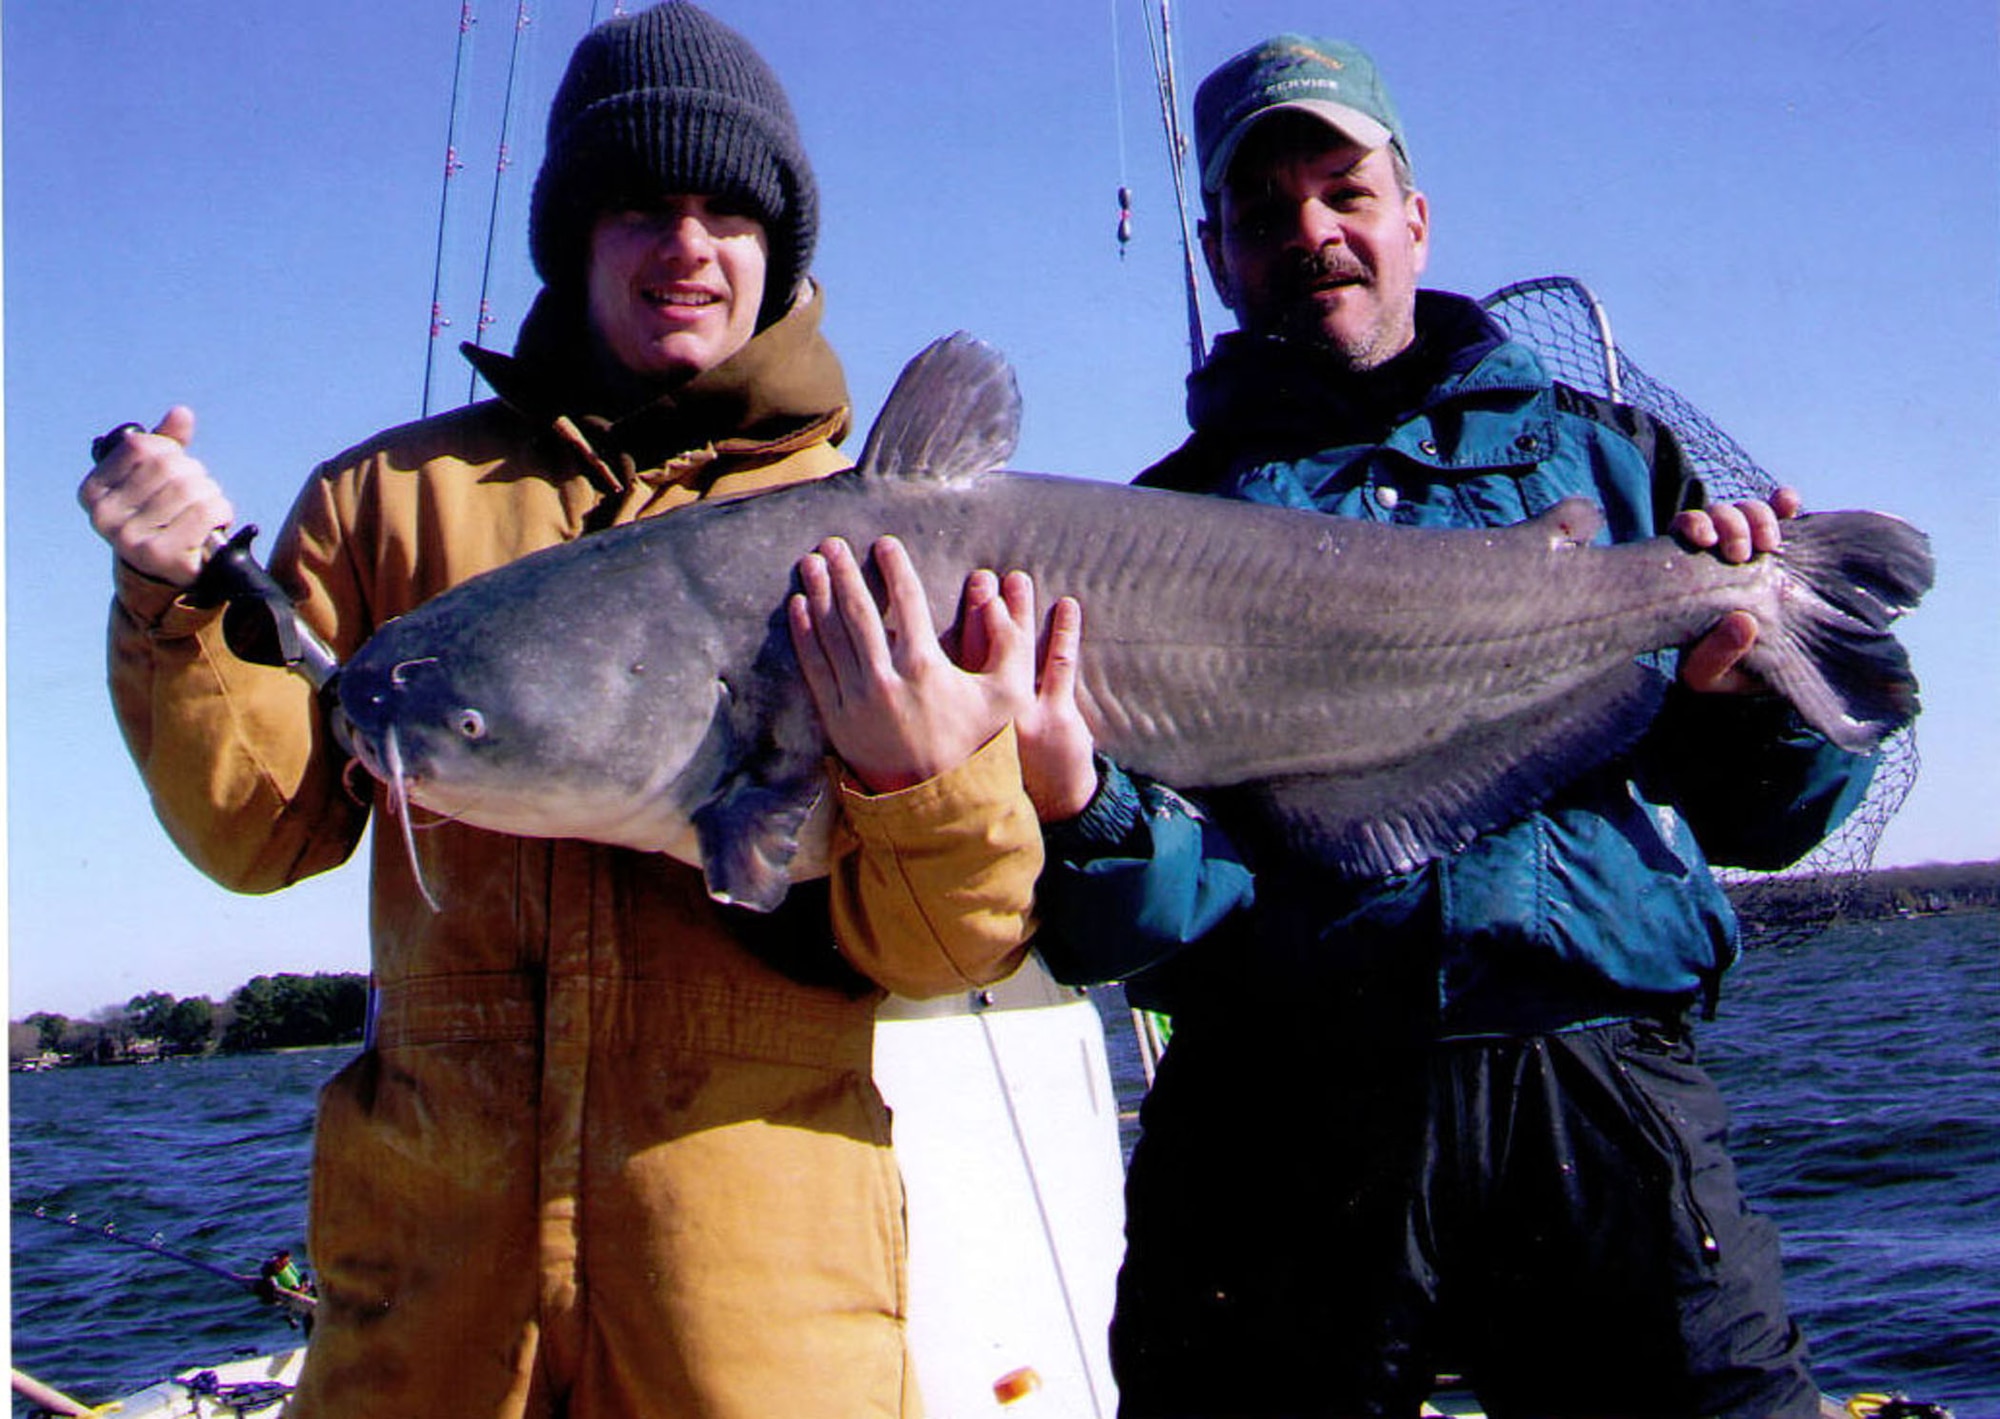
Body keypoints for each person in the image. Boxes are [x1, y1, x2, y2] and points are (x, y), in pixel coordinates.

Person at [77, 6, 1055, 1416]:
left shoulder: (895, 548)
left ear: (780, 249)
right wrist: (174, 608)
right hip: (434, 1319)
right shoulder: (384, 503)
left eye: (729, 210)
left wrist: (924, 783)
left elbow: (946, 941)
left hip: (761, 1317)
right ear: (570, 235)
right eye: (640, 207)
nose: (688, 247)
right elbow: (258, 834)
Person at [1028, 35, 1874, 1419]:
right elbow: (1131, 921)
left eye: (1344, 193)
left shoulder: (1615, 464)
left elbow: (1778, 819)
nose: (1312, 233)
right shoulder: (1139, 538)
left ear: (1414, 218)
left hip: (1599, 1091)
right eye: (1263, 211)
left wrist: (1747, 703)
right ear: (1217, 253)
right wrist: (1089, 811)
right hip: (1284, 1118)